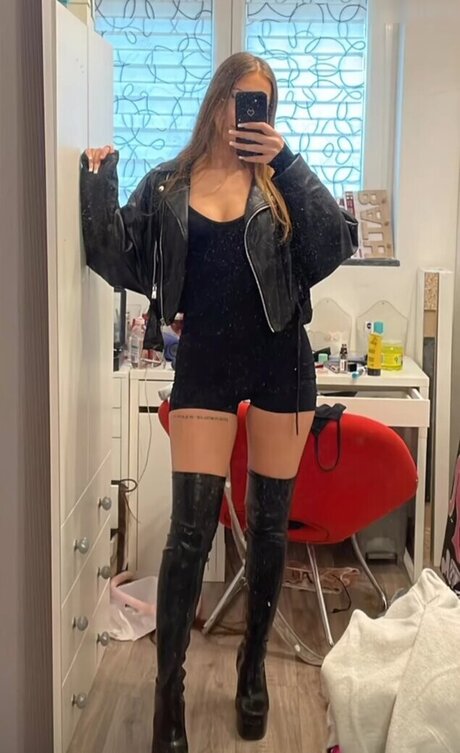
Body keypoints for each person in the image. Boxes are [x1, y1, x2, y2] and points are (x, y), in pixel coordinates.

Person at [80, 52, 357, 753]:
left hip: (280, 361)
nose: (248, 114)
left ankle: (251, 669)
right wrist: (97, 180)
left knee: (268, 528)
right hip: (204, 361)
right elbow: (114, 258)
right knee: (190, 533)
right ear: (216, 102)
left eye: (262, 103)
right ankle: (167, 691)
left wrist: (285, 159)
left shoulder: (281, 187)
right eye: (240, 98)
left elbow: (335, 244)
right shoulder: (167, 185)